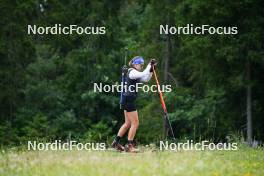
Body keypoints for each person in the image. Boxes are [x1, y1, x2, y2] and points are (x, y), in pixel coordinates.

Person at [112, 56, 157, 152]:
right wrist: (150, 65)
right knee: (135, 123)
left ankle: (116, 143)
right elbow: (143, 73)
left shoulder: (135, 73)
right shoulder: (132, 72)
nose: (141, 66)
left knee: (127, 123)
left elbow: (146, 79)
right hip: (128, 100)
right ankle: (129, 145)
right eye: (141, 65)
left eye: (142, 65)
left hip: (126, 100)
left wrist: (151, 70)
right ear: (135, 64)